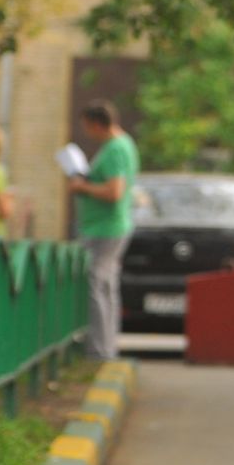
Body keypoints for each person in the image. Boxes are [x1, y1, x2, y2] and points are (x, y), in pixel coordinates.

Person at [66, 101, 138, 360]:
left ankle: (100, 349)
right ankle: (105, 346)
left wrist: (82, 187)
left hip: (105, 228)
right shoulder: (123, 144)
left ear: (97, 124)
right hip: (109, 226)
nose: (87, 132)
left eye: (87, 126)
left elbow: (114, 191)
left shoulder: (115, 149)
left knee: (97, 285)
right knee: (106, 286)